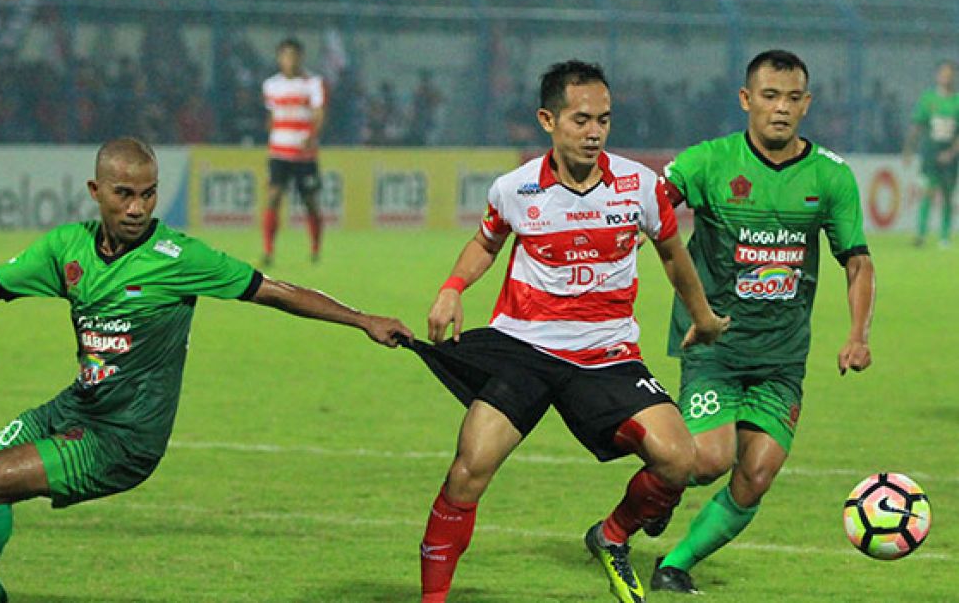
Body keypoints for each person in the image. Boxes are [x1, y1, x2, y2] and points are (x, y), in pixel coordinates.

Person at [0, 137, 412, 603]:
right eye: (124, 194)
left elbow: (274, 291)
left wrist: (362, 319)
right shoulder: (67, 249)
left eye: (148, 194)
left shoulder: (180, 258)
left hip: (125, 439)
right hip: (76, 407)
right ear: (95, 192)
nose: (137, 208)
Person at [404, 60, 728, 603]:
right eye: (580, 120)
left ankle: (612, 535)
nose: (594, 131)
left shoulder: (641, 187)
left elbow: (673, 254)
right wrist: (453, 286)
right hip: (524, 347)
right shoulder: (516, 188)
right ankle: (432, 599)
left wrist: (702, 316)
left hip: (607, 353)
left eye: (603, 118)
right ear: (547, 120)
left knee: (678, 460)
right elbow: (486, 242)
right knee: (469, 468)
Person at [649, 49, 876, 594]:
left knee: (754, 476)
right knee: (706, 462)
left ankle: (673, 566)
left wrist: (857, 335)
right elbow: (648, 212)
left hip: (781, 356)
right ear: (746, 100)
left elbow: (858, 262)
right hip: (713, 344)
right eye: (770, 97)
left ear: (807, 104)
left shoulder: (830, 176)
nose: (781, 109)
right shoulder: (709, 162)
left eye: (793, 98)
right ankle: (651, 497)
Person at [261, 37, 326, 265]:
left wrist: (311, 135)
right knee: (273, 198)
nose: (290, 60)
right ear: (280, 58)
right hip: (279, 152)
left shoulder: (313, 83)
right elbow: (271, 115)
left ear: (301, 57)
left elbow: (319, 113)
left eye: (294, 56)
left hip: (304, 155)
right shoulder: (271, 85)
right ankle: (268, 251)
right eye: (286, 56)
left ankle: (315, 248)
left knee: (310, 201)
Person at [902, 60, 959, 248]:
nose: (946, 77)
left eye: (949, 73)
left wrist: (952, 152)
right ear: (937, 76)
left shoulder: (957, 100)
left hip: (950, 154)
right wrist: (908, 150)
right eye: (943, 73)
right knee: (926, 191)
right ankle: (921, 234)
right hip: (930, 152)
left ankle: (944, 236)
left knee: (947, 195)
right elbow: (917, 125)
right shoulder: (928, 99)